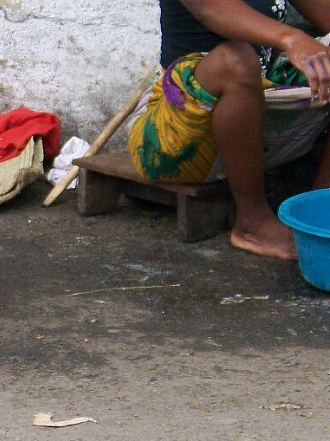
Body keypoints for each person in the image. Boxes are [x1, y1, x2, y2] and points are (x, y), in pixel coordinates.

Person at [128, 0, 330, 260]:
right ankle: (252, 223)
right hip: (174, 141)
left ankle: (318, 210)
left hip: (260, 128)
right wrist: (292, 39)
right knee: (235, 60)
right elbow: (212, 9)